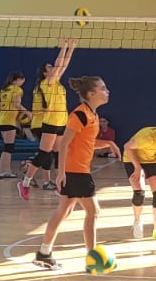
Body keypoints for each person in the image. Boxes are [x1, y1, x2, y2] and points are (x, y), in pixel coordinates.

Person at [33, 75, 117, 270]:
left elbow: (87, 143)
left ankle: (44, 253)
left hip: (79, 170)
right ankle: (92, 260)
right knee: (93, 212)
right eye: (103, 88)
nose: (107, 91)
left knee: (64, 211)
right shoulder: (79, 114)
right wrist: (61, 172)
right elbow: (64, 144)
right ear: (91, 94)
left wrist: (108, 143)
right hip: (76, 171)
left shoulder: (92, 115)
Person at [19, 37, 77, 199]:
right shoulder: (47, 83)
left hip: (61, 121)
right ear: (45, 73)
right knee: (44, 154)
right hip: (50, 121)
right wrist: (63, 46)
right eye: (49, 67)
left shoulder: (57, 82)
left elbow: (63, 65)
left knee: (59, 153)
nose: (54, 68)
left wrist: (72, 48)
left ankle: (60, 185)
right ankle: (25, 182)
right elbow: (59, 65)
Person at [0, 72, 27, 179]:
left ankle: (4, 170)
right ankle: (5, 171)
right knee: (8, 147)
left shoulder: (3, 90)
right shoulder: (17, 89)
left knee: (7, 146)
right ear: (17, 80)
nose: (22, 83)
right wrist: (27, 112)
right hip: (9, 120)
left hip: (1, 120)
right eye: (22, 80)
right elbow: (16, 104)